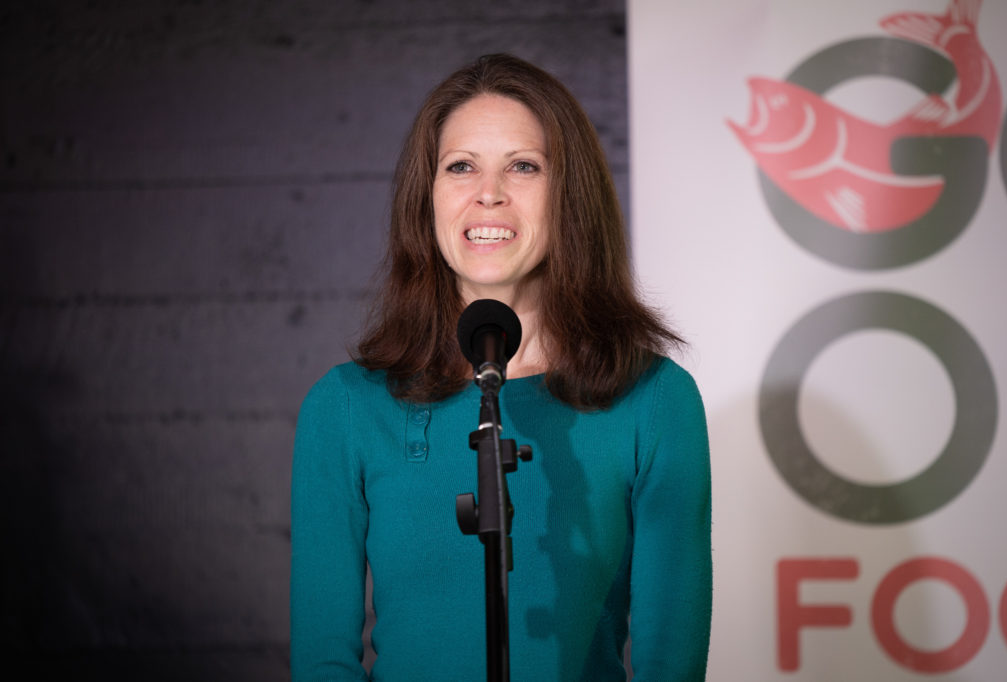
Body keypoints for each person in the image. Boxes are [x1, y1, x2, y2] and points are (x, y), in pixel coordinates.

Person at [290, 53, 711, 681]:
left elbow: (669, 664)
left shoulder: (654, 400)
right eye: (461, 166)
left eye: (523, 166)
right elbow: (322, 661)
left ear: (569, 196)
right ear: (426, 198)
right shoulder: (345, 407)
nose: (488, 192)